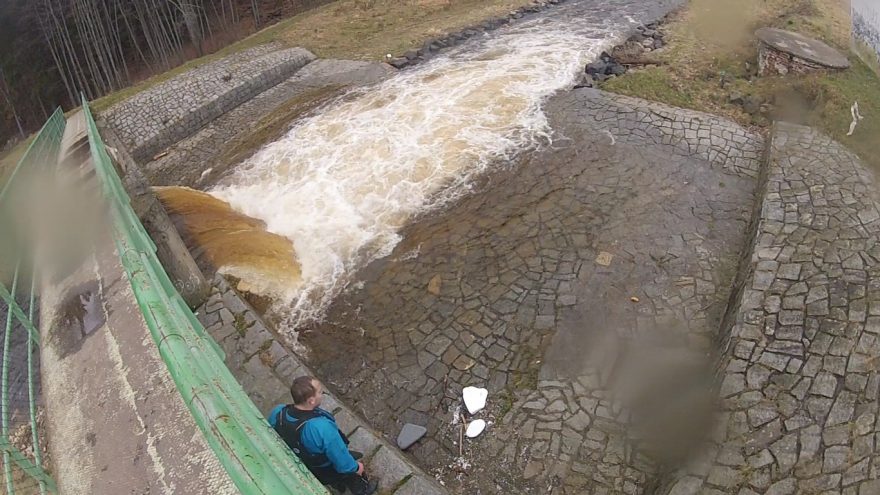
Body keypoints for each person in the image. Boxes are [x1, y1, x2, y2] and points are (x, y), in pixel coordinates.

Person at [269, 376, 378, 495]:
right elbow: (340, 458)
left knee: (334, 478)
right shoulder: (321, 428)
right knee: (350, 474)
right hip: (326, 467)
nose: (322, 394)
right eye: (320, 392)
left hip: (307, 463)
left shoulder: (278, 412)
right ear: (311, 401)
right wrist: (356, 468)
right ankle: (362, 490)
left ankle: (338, 486)